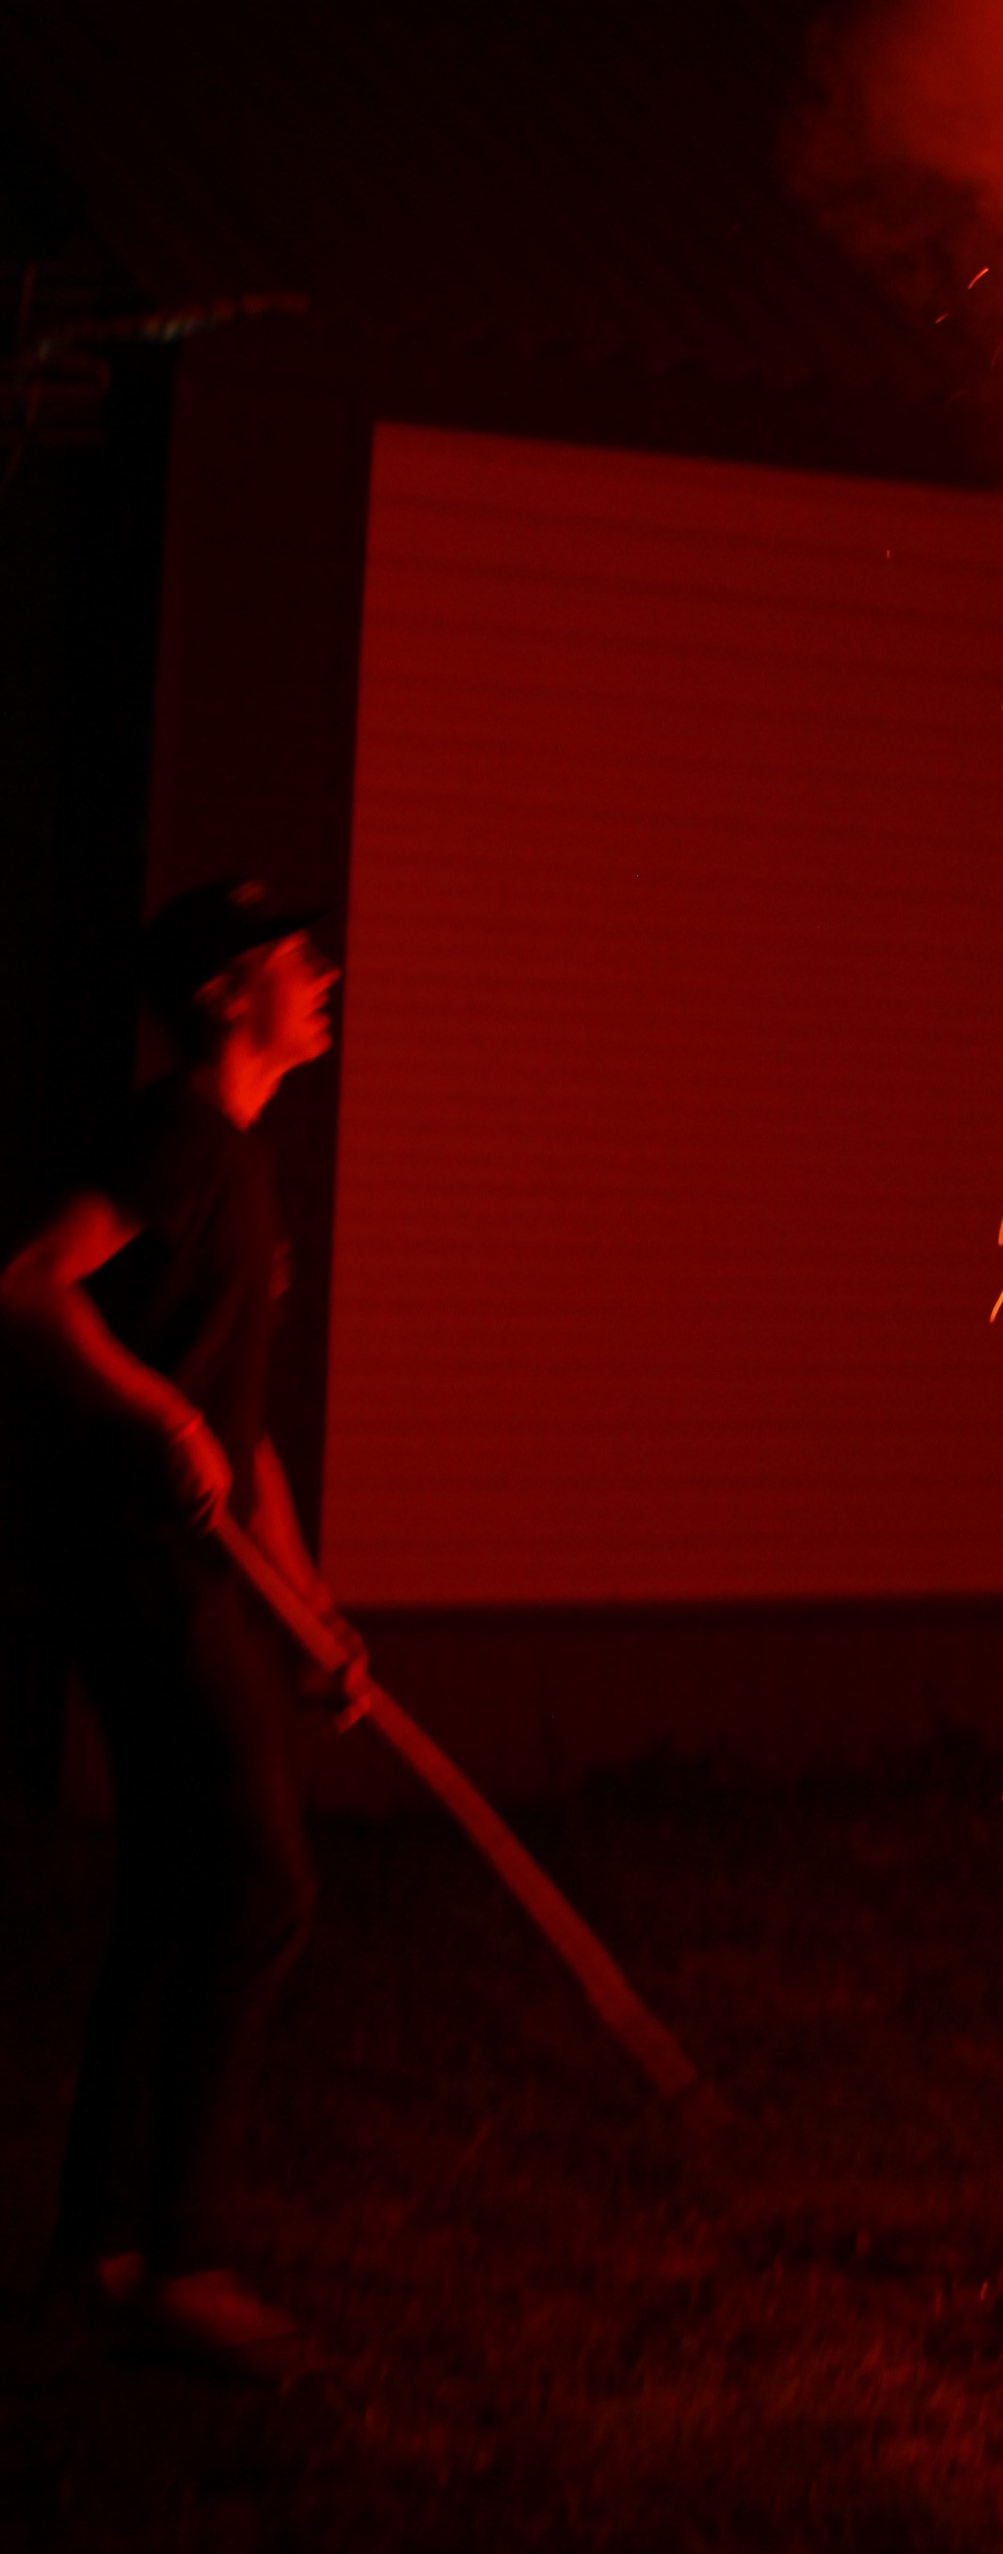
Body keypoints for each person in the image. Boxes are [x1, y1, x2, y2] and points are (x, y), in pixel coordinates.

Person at [0, 880, 366, 2376]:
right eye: (299, 959)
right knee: (260, 1886)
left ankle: (104, 2242)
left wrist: (306, 1604)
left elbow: (244, 1426)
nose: (326, 975)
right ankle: (188, 2260)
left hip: (201, 1566)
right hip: (136, 1561)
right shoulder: (171, 1136)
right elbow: (30, 1287)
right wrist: (150, 1414)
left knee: (173, 1891)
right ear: (227, 994)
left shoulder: (241, 1167)